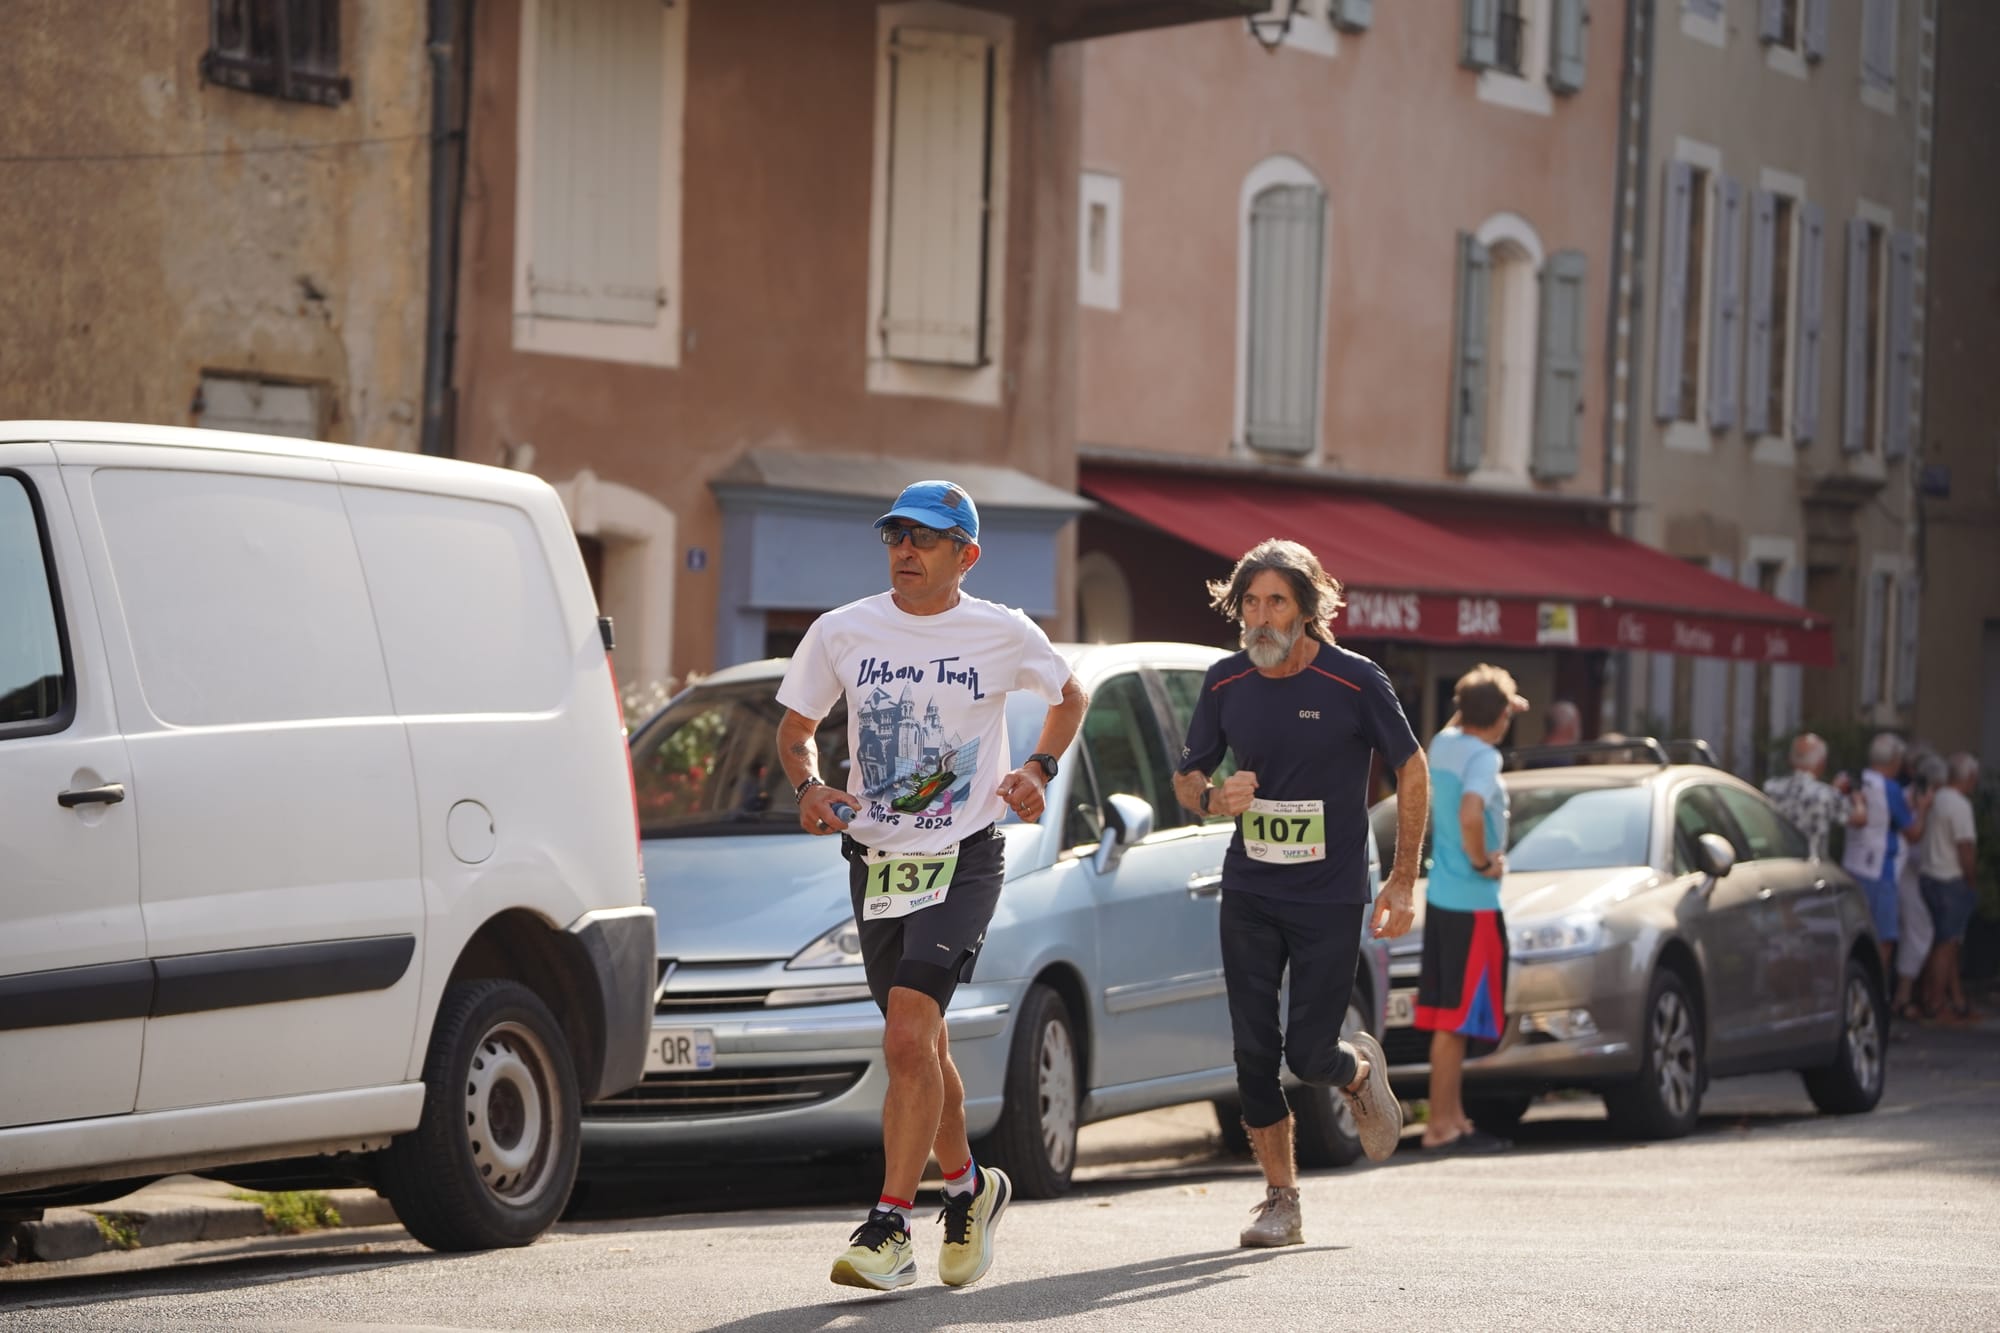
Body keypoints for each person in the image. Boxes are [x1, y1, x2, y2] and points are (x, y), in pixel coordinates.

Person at [774, 480, 1089, 1292]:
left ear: (966, 554)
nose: (904, 551)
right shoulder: (842, 630)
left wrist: (1037, 767)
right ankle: (970, 1189)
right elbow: (796, 729)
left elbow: (1069, 694)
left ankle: (888, 1224)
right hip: (877, 861)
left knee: (909, 1035)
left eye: (924, 538)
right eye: (895, 537)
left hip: (964, 853)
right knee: (925, 1042)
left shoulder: (999, 630)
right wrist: (808, 788)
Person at [1170, 539, 1424, 1248]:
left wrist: (1402, 879)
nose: (1261, 616)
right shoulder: (1225, 682)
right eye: (1250, 602)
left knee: (1310, 1052)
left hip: (1330, 893)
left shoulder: (1355, 681)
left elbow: (1412, 768)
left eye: (1276, 600)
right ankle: (1281, 1200)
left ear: (1308, 609)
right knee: (1253, 1049)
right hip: (1251, 888)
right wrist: (1217, 797)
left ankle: (1357, 1069)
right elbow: (1186, 778)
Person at [1416, 665, 1529, 1154]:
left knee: (1450, 1016)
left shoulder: (1443, 745)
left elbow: (1461, 722)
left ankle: (1454, 1118)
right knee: (1456, 1019)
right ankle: (1441, 1126)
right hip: (1474, 901)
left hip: (1442, 897)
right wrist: (1484, 861)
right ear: (1502, 717)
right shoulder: (1484, 756)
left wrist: (1494, 701)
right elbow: (1469, 813)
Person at [1842, 733, 1930, 976]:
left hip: (1852, 864)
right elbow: (1913, 833)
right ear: (1895, 760)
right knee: (1883, 938)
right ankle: (1876, 994)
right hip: (1879, 870)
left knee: (1855, 933)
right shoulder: (1889, 788)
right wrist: (1922, 810)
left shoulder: (1855, 779)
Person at [1918, 754, 1981, 1022]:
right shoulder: (1960, 805)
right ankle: (1936, 1002)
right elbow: (1965, 847)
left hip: (1929, 875)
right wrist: (1971, 878)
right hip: (1950, 878)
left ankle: (1952, 999)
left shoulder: (1938, 798)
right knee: (1947, 943)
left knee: (1946, 940)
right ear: (1969, 778)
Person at [1891, 749, 1944, 1021]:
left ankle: (1904, 994)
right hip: (1904, 872)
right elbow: (1913, 837)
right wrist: (1922, 811)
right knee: (1918, 929)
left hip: (1906, 872)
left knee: (1911, 930)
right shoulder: (1911, 798)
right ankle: (1902, 996)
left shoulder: (1906, 794)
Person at [1764, 733, 1867, 862]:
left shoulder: (1771, 787)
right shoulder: (1825, 795)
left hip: (1776, 863)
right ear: (1821, 763)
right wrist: (1858, 800)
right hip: (1811, 867)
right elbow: (1859, 819)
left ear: (1790, 759)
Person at [1518, 699, 1580, 768]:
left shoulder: (1535, 755)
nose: (1578, 729)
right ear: (1569, 727)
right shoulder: (1559, 761)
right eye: (1576, 723)